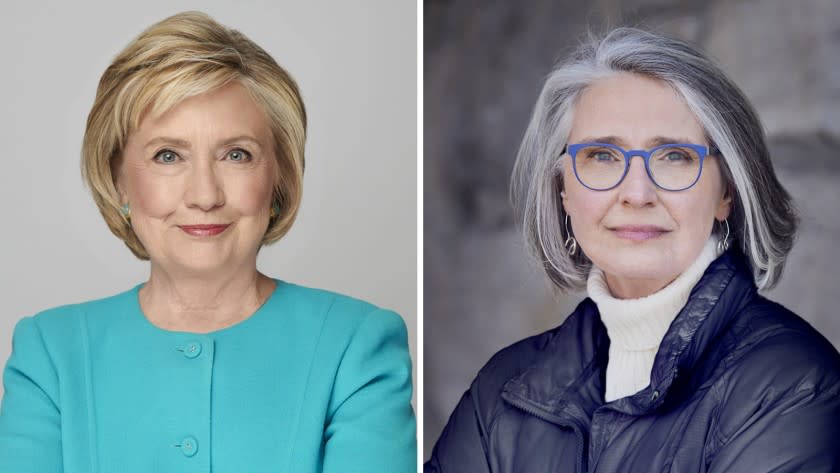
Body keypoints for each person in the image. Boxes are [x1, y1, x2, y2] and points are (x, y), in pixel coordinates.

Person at [0, 11, 415, 473]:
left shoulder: (357, 346)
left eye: (236, 154)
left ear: (278, 179)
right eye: (167, 155)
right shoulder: (50, 354)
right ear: (118, 182)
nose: (204, 195)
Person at [426, 27, 840, 472]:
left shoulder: (794, 383)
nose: (637, 193)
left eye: (675, 156)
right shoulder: (502, 390)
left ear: (728, 192)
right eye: (602, 156)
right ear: (562, 189)